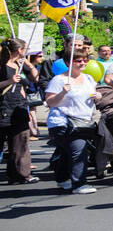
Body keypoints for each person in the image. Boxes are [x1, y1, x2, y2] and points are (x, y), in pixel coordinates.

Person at [45, 45, 102, 194]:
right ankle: (79, 184)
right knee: (79, 150)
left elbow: (93, 94)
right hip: (63, 122)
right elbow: (50, 102)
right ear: (69, 62)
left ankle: (63, 179)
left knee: (67, 152)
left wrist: (97, 96)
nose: (83, 63)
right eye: (78, 60)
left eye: (85, 60)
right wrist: (63, 93)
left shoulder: (88, 78)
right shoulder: (59, 80)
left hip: (82, 121)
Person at [1, 37, 40, 184]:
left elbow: (34, 78)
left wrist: (29, 65)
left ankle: (20, 174)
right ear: (19, 50)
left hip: (19, 107)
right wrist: (9, 81)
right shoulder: (2, 65)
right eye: (26, 49)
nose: (27, 51)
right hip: (4, 106)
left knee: (20, 142)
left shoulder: (20, 64)